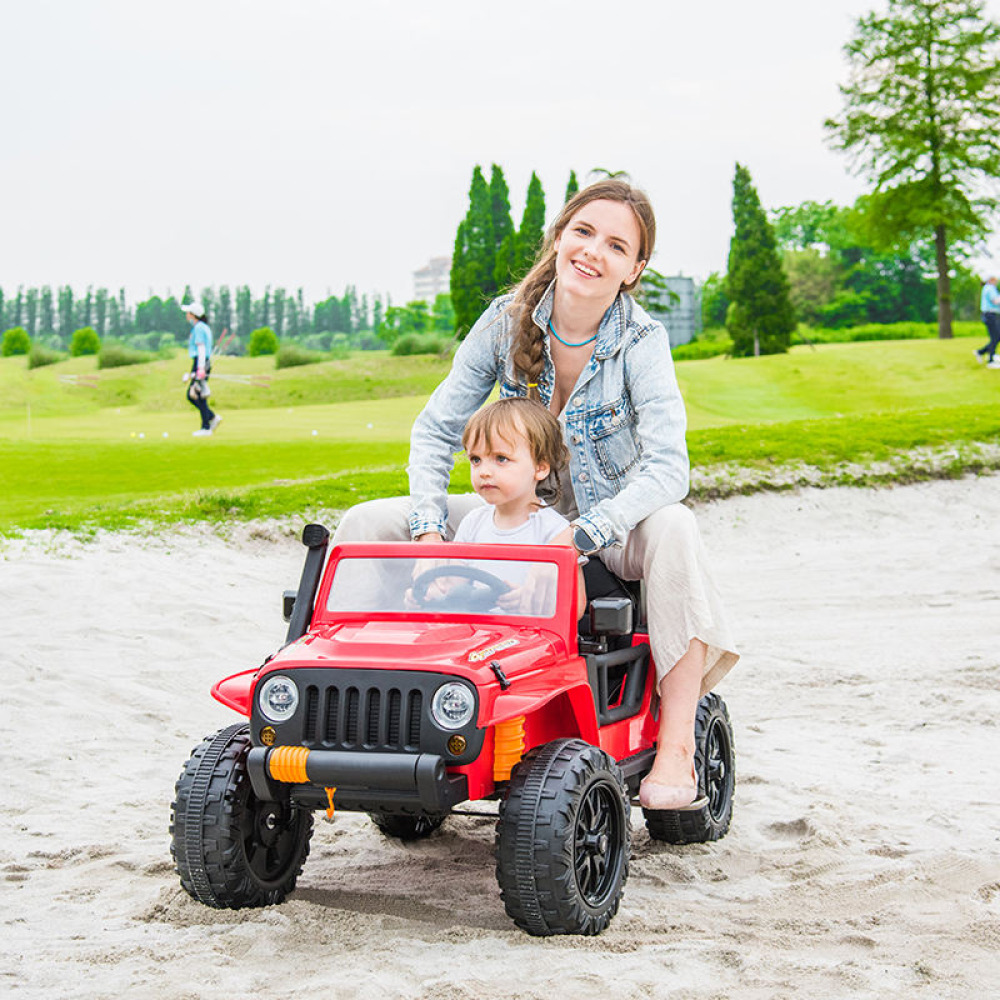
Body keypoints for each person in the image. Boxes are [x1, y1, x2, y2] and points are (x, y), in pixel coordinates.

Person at [334, 178, 739, 810]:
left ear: (634, 269)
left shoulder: (641, 342)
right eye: (583, 232)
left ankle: (677, 745)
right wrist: (428, 529)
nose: (592, 252)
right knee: (365, 522)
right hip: (517, 507)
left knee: (676, 528)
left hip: (606, 524)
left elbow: (667, 469)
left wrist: (585, 535)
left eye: (615, 244)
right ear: (559, 237)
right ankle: (366, 705)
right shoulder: (504, 320)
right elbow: (437, 427)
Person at [451, 397, 587, 619]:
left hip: (534, 639)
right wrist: (432, 595)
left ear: (540, 468)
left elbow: (576, 607)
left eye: (501, 458)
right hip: (476, 634)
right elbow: (454, 586)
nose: (484, 471)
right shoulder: (472, 523)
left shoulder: (554, 532)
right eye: (476, 460)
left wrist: (531, 602)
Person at [182, 301, 221, 436]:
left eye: (188, 313)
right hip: (202, 362)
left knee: (195, 395)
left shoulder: (199, 328)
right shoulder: (202, 327)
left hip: (201, 362)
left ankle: (207, 425)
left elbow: (201, 348)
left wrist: (199, 368)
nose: (186, 315)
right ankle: (210, 419)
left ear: (193, 315)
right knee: (198, 394)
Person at [975, 276, 1000, 368]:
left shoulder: (989, 288)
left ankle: (981, 352)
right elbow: (995, 301)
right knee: (995, 337)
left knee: (997, 336)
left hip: (991, 315)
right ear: (991, 280)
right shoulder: (990, 288)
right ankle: (991, 360)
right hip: (990, 315)